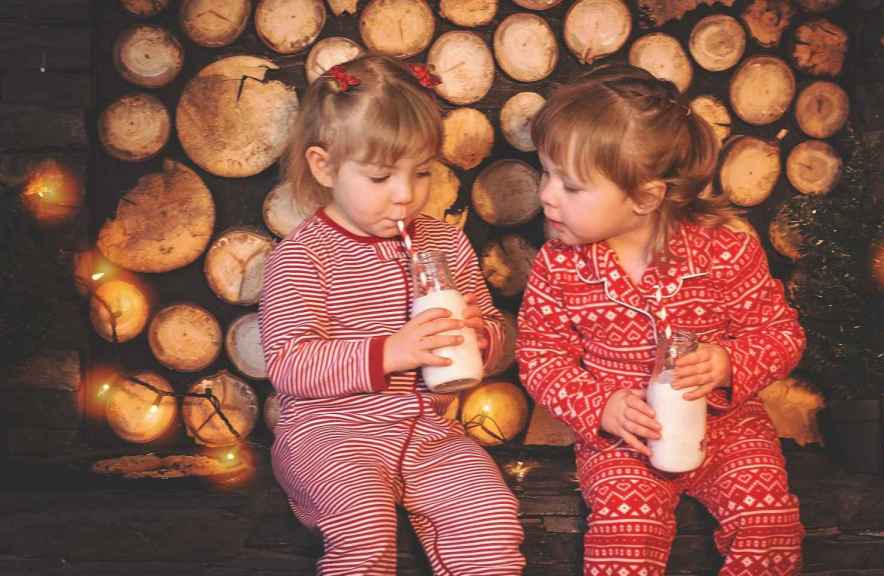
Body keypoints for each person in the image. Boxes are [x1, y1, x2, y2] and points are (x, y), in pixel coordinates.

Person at [516, 65, 806, 575]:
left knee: (768, 520)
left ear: (645, 197)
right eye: (545, 172)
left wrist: (729, 362)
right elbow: (540, 356)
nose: (546, 194)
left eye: (571, 185)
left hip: (728, 432)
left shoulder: (725, 249)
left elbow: (781, 333)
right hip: (624, 442)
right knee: (626, 535)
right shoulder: (559, 265)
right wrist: (600, 406)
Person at [259, 54, 524, 576]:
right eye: (381, 177)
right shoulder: (302, 256)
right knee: (363, 524)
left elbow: (498, 331)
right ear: (325, 166)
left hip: (430, 435)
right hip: (328, 435)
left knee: (492, 517)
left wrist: (483, 338)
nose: (406, 195)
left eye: (421, 172)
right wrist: (391, 351)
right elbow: (289, 364)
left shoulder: (444, 241)